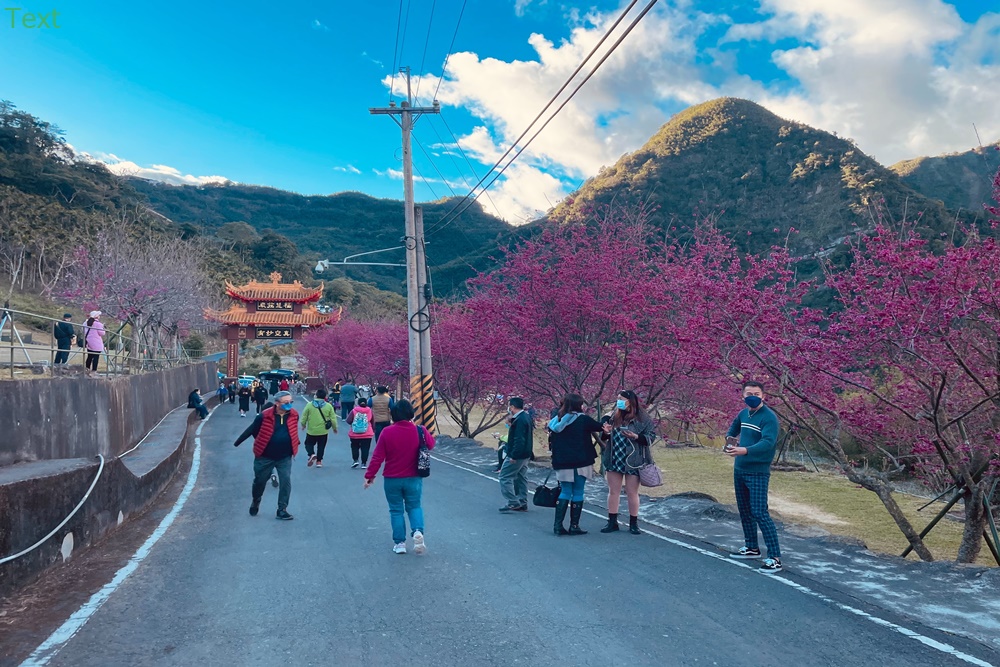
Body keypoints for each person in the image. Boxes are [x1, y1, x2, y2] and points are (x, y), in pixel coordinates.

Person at [725, 381, 783, 573]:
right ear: (743, 396)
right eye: (749, 393)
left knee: (759, 512)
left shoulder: (769, 418)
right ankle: (751, 547)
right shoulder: (743, 413)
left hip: (758, 471)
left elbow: (768, 442)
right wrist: (730, 441)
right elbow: (733, 429)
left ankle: (774, 557)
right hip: (740, 469)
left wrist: (744, 450)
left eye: (757, 393)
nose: (753, 396)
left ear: (763, 396)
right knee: (744, 510)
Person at [364, 399, 434, 555]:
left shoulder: (387, 432)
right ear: (411, 414)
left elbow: (377, 457)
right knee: (414, 506)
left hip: (392, 478)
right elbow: (431, 444)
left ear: (393, 415)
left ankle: (400, 543)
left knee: (396, 510)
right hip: (414, 477)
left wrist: (370, 476)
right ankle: (417, 532)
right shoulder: (419, 430)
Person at [233, 391, 299, 520]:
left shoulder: (294, 415)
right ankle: (256, 500)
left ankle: (282, 509)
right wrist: (262, 442)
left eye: (291, 402)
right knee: (260, 482)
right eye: (286, 402)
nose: (289, 405)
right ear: (277, 403)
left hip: (285, 456)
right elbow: (253, 431)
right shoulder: (264, 416)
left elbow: (292, 430)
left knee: (285, 481)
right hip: (264, 456)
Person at [598, 389, 656, 535]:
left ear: (630, 401)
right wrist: (606, 432)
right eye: (618, 398)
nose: (619, 401)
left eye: (621, 398)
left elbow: (650, 438)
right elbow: (604, 437)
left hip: (634, 459)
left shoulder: (643, 418)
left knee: (632, 492)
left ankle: (634, 523)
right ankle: (612, 522)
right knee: (613, 491)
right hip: (614, 457)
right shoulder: (613, 415)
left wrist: (635, 436)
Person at [548, 394, 604, 536]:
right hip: (581, 461)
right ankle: (574, 526)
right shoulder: (583, 419)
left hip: (562, 461)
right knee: (578, 491)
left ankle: (558, 526)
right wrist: (607, 417)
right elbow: (599, 426)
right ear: (579, 405)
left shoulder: (556, 420)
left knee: (565, 491)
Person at [498, 397, 533, 513]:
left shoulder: (519, 420)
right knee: (521, 477)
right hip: (526, 453)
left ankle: (513, 501)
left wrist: (513, 455)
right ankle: (522, 501)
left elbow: (519, 439)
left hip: (518, 454)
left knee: (504, 476)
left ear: (512, 407)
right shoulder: (526, 417)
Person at [300, 388, 338, 468]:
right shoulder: (328, 406)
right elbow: (333, 418)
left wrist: (303, 424)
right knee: (321, 446)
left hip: (311, 430)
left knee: (308, 444)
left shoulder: (309, 405)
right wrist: (334, 428)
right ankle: (319, 461)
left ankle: (311, 454)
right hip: (323, 431)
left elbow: (304, 416)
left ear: (316, 396)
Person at [347, 398, 375, 469]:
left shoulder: (354, 411)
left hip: (355, 433)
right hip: (367, 433)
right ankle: (364, 463)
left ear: (358, 403)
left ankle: (355, 460)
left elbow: (348, 420)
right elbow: (373, 422)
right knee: (365, 448)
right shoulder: (370, 411)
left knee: (354, 447)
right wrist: (373, 430)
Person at [83, 310, 105, 374]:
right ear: (97, 317)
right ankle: (94, 370)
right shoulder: (98, 324)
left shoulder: (86, 323)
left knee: (89, 356)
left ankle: (87, 369)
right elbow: (102, 333)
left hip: (89, 342)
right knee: (96, 357)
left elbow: (83, 330)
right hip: (96, 342)